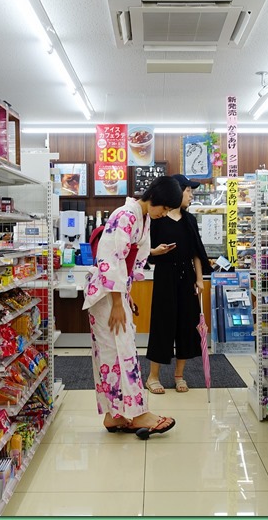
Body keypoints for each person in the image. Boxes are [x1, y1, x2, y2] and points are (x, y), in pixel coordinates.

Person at [82, 175, 183, 437]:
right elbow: (110, 259)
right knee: (121, 352)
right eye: (164, 208)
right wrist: (117, 301)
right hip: (106, 295)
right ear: (157, 199)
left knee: (110, 354)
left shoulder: (142, 217)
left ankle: (113, 416)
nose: (164, 214)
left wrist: (126, 295)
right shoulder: (125, 215)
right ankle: (138, 415)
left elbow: (131, 259)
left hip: (115, 292)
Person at [145, 174, 214, 394]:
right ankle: (153, 376)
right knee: (162, 324)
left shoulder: (189, 219)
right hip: (165, 275)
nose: (191, 195)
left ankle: (179, 375)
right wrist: (156, 252)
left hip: (188, 277)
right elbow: (145, 250)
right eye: (189, 191)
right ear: (177, 192)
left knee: (187, 325)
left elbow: (196, 252)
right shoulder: (156, 218)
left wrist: (199, 278)